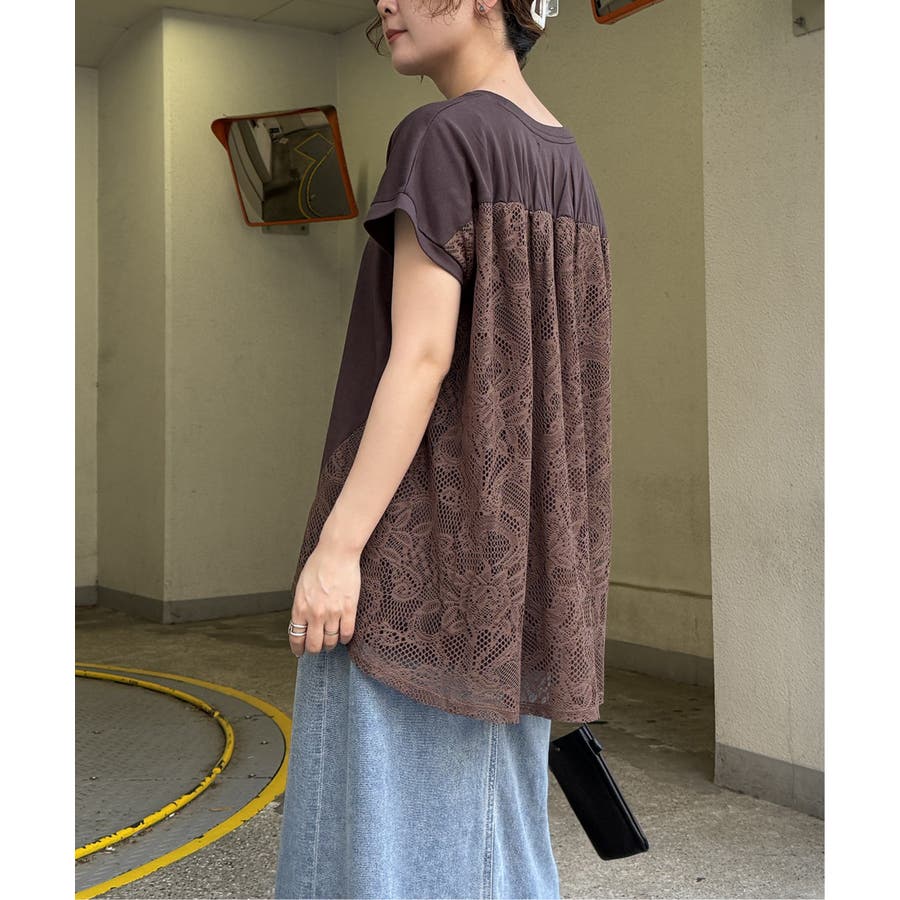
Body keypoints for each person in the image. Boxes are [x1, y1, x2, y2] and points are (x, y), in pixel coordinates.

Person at [274, 1, 612, 897]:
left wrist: (338, 551)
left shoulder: (439, 136)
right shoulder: (567, 161)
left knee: (379, 845)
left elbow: (422, 359)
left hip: (418, 561)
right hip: (519, 567)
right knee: (498, 844)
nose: (385, 3)